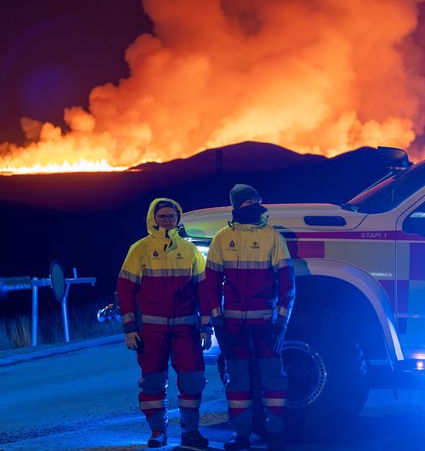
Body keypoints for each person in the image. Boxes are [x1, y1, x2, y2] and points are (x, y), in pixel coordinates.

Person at [200, 184, 295, 451]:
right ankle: (240, 435)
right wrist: (217, 322)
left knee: (273, 378)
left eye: (257, 200)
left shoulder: (272, 237)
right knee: (238, 379)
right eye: (248, 201)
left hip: (265, 322)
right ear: (237, 205)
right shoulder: (221, 239)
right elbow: (210, 285)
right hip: (232, 324)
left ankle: (275, 434)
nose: (254, 205)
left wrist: (281, 324)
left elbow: (288, 284)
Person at [117, 198, 213, 448]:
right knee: (152, 382)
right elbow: (125, 290)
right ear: (153, 218)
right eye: (162, 216)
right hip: (150, 330)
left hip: (186, 329)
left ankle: (190, 431)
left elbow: (203, 291)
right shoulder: (139, 249)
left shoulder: (190, 251)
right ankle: (157, 431)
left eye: (171, 216)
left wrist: (205, 327)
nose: (167, 220)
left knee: (192, 380)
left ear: (178, 219)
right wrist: (129, 328)